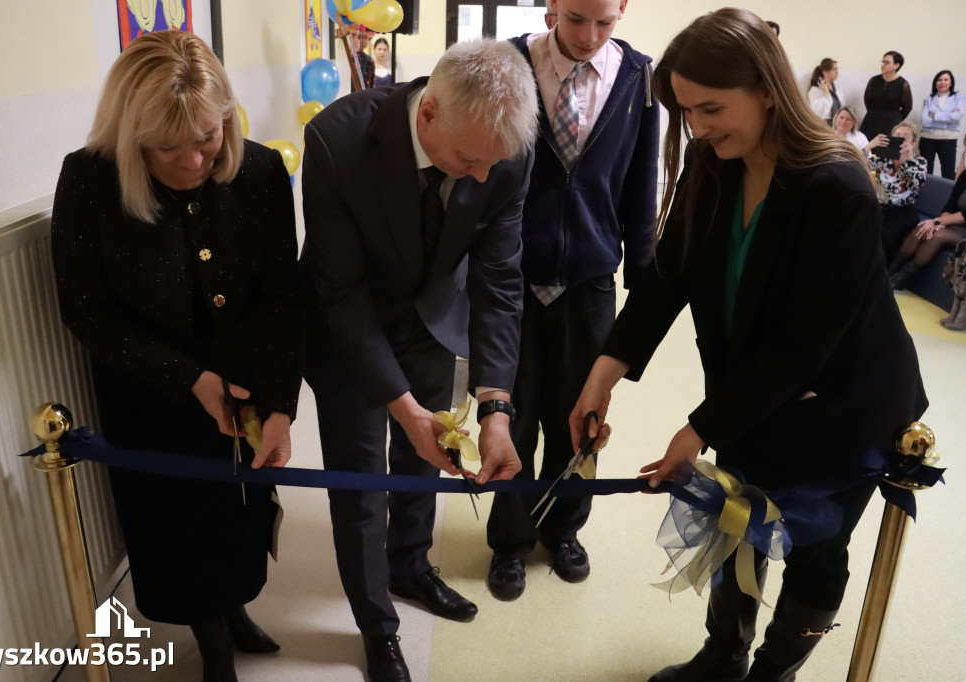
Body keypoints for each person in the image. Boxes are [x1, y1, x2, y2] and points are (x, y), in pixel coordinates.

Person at [569, 9, 927, 682]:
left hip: (841, 404)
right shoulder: (714, 160)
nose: (697, 128)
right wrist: (602, 376)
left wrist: (696, 429)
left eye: (711, 108)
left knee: (814, 548)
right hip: (752, 391)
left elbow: (803, 345)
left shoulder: (837, 185)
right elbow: (666, 276)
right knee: (736, 524)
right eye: (687, 112)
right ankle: (723, 656)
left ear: (767, 89)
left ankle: (773, 672)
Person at [50, 31, 302, 682]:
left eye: (209, 137)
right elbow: (87, 310)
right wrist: (187, 378)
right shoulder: (90, 178)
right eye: (169, 147)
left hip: (246, 375)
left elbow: (280, 299)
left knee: (245, 508)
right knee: (180, 523)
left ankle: (237, 609)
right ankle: (212, 641)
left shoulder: (263, 171)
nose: (193, 161)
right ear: (133, 136)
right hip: (150, 387)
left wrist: (280, 404)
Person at [301, 39, 538, 682]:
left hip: (433, 320)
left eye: (495, 164)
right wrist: (401, 407)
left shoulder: (501, 149)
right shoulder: (336, 141)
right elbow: (342, 296)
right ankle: (377, 625)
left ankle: (411, 563)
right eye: (468, 160)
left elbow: (499, 280)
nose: (483, 178)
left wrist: (495, 405)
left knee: (427, 459)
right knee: (361, 486)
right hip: (348, 327)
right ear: (428, 113)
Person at [485, 0, 659, 601]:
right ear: (552, 6)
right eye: (575, 17)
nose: (588, 36)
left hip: (589, 282)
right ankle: (509, 538)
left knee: (580, 417)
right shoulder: (509, 62)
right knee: (513, 412)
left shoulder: (638, 79)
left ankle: (563, 527)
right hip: (513, 281)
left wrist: (643, 278)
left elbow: (642, 185)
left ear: (623, 11)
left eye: (604, 22)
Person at [888, 142, 966, 291]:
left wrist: (938, 221)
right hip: (952, 222)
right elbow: (950, 205)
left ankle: (900, 278)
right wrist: (941, 222)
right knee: (922, 228)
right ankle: (890, 271)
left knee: (938, 236)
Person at [869, 121, 927, 264]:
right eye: (897, 135)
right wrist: (869, 147)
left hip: (903, 210)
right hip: (879, 206)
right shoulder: (883, 158)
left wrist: (904, 161)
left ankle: (877, 272)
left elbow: (916, 182)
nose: (900, 139)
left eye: (905, 137)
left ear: (913, 143)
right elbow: (857, 163)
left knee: (885, 235)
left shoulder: (919, 161)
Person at [919, 70, 965, 179]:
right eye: (939, 80)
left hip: (948, 139)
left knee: (948, 172)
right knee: (925, 172)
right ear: (935, 83)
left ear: (951, 82)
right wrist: (947, 116)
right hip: (927, 138)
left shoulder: (958, 98)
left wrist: (934, 115)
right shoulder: (928, 99)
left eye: (946, 79)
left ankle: (947, 196)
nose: (942, 82)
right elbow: (924, 120)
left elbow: (957, 117)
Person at [860, 51, 912, 140]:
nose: (883, 64)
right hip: (871, 121)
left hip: (891, 123)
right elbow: (867, 100)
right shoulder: (873, 80)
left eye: (887, 62)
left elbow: (907, 107)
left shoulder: (903, 84)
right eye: (883, 62)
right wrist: (875, 113)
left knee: (887, 150)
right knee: (866, 148)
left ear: (896, 65)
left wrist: (896, 119)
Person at [807, 58, 843, 126]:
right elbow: (818, 113)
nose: (837, 72)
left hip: (836, 125)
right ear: (825, 73)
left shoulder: (837, 87)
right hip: (823, 125)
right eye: (834, 69)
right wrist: (826, 93)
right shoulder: (816, 90)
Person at [350, 24, 376, 88]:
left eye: (370, 39)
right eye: (364, 37)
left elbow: (370, 87)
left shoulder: (369, 61)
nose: (366, 42)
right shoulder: (343, 58)